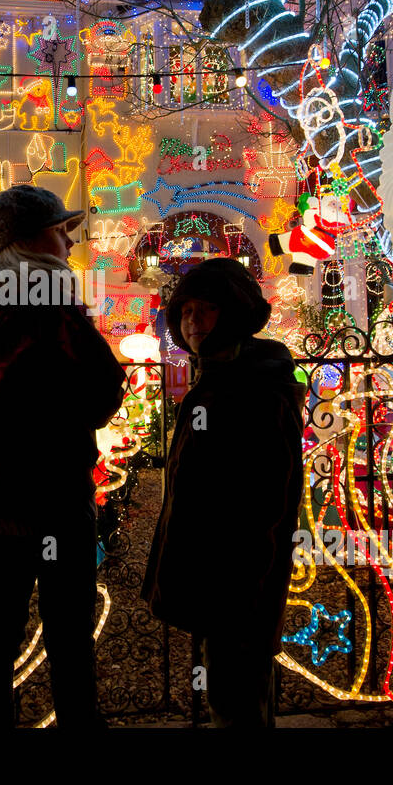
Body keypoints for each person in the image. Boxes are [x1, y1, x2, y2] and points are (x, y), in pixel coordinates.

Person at [0, 184, 127, 728]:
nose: (69, 241)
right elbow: (103, 394)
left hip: (4, 508)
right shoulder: (55, 314)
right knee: (69, 627)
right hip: (59, 498)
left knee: (1, 623)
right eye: (60, 230)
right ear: (31, 241)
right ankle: (76, 720)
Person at [142, 258, 306, 727]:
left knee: (235, 692)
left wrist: (241, 569)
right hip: (223, 570)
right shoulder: (220, 376)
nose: (193, 322)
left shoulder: (250, 388)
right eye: (186, 311)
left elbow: (267, 496)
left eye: (207, 310)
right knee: (238, 685)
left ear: (232, 312)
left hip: (237, 574)